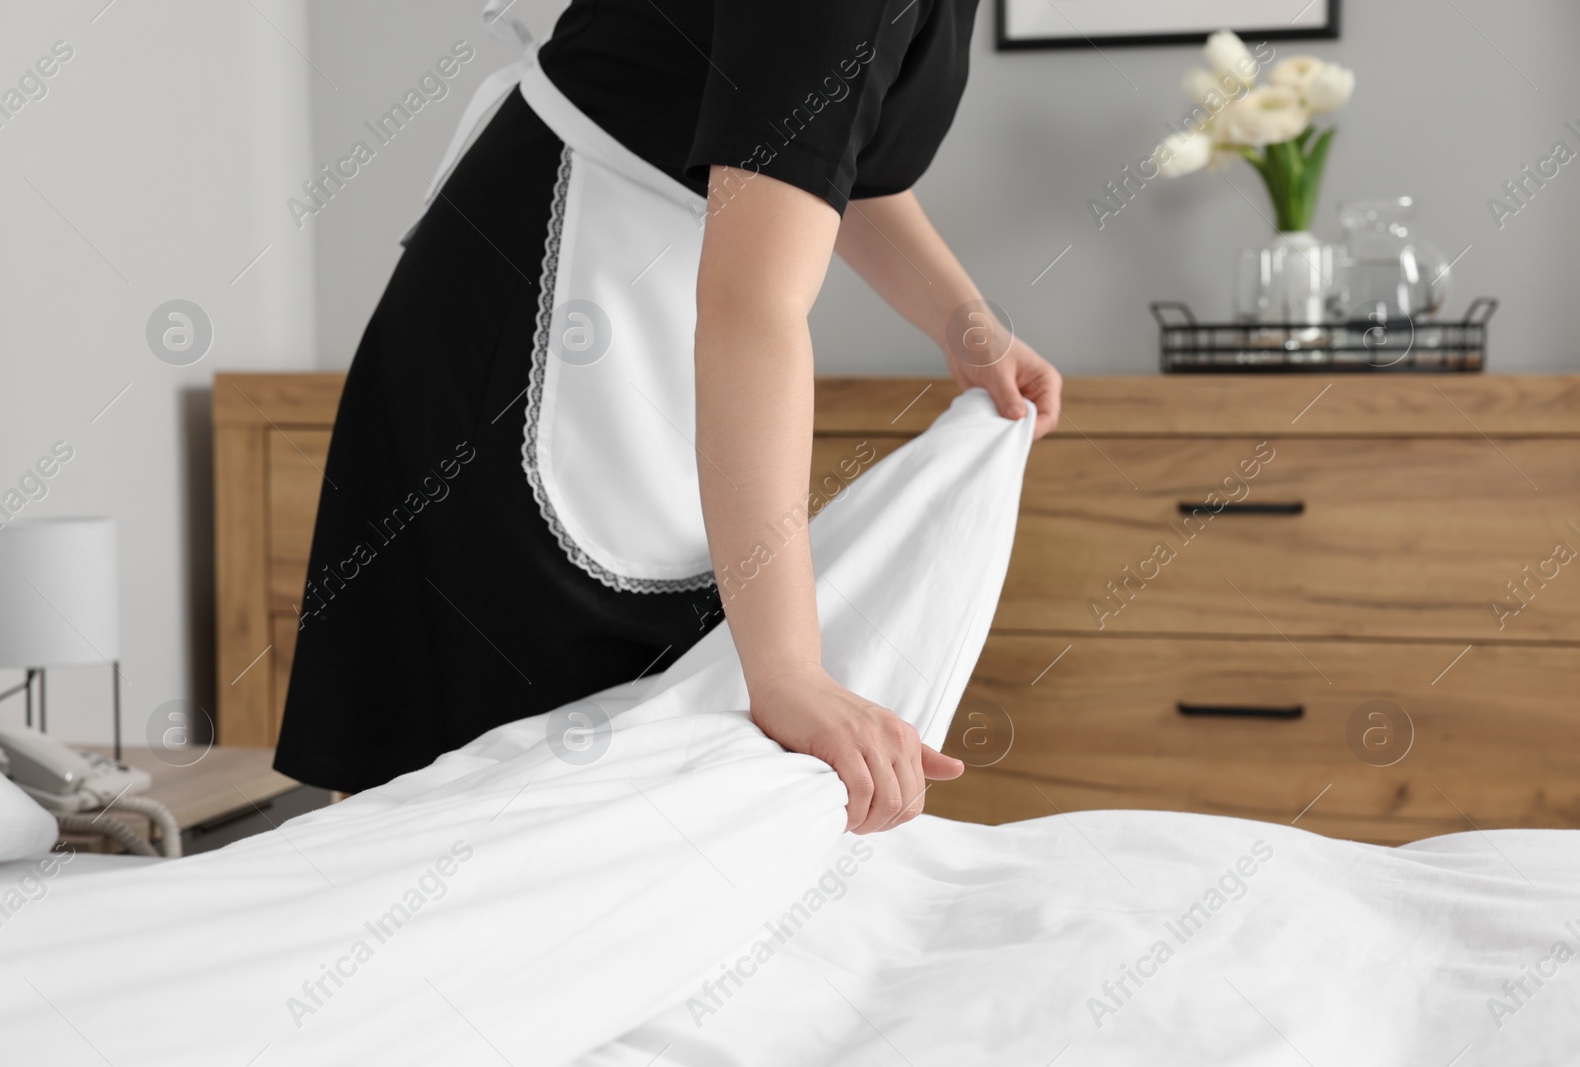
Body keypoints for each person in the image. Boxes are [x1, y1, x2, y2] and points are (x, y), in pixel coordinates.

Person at [274, 0, 1063, 834]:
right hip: (538, 327)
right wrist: (793, 672)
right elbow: (752, 307)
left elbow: (820, 154)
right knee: (479, 817)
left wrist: (963, 322)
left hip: (633, 306)